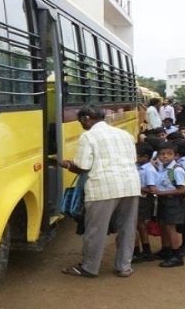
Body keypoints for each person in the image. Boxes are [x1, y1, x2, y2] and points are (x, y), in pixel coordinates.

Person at [60, 105, 141, 278]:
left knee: (96, 230)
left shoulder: (88, 136)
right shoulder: (124, 134)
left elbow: (83, 166)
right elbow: (132, 159)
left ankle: (89, 267)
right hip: (131, 185)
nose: (81, 125)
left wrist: (66, 164)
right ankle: (124, 267)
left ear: (86, 118)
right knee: (127, 228)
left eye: (80, 121)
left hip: (103, 188)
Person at [146, 142, 185, 268]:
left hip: (173, 201)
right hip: (162, 200)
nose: (165, 156)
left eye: (169, 154)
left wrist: (161, 193)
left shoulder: (177, 170)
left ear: (175, 155)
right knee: (163, 225)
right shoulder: (161, 167)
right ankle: (166, 249)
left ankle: (176, 255)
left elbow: (182, 189)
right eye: (162, 154)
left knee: (171, 228)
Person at [133, 142, 158, 263]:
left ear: (146, 157)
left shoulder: (149, 170)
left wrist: (136, 187)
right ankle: (144, 251)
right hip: (139, 199)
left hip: (143, 200)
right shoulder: (139, 166)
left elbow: (152, 189)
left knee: (138, 225)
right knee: (139, 225)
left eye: (137, 155)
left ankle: (140, 252)